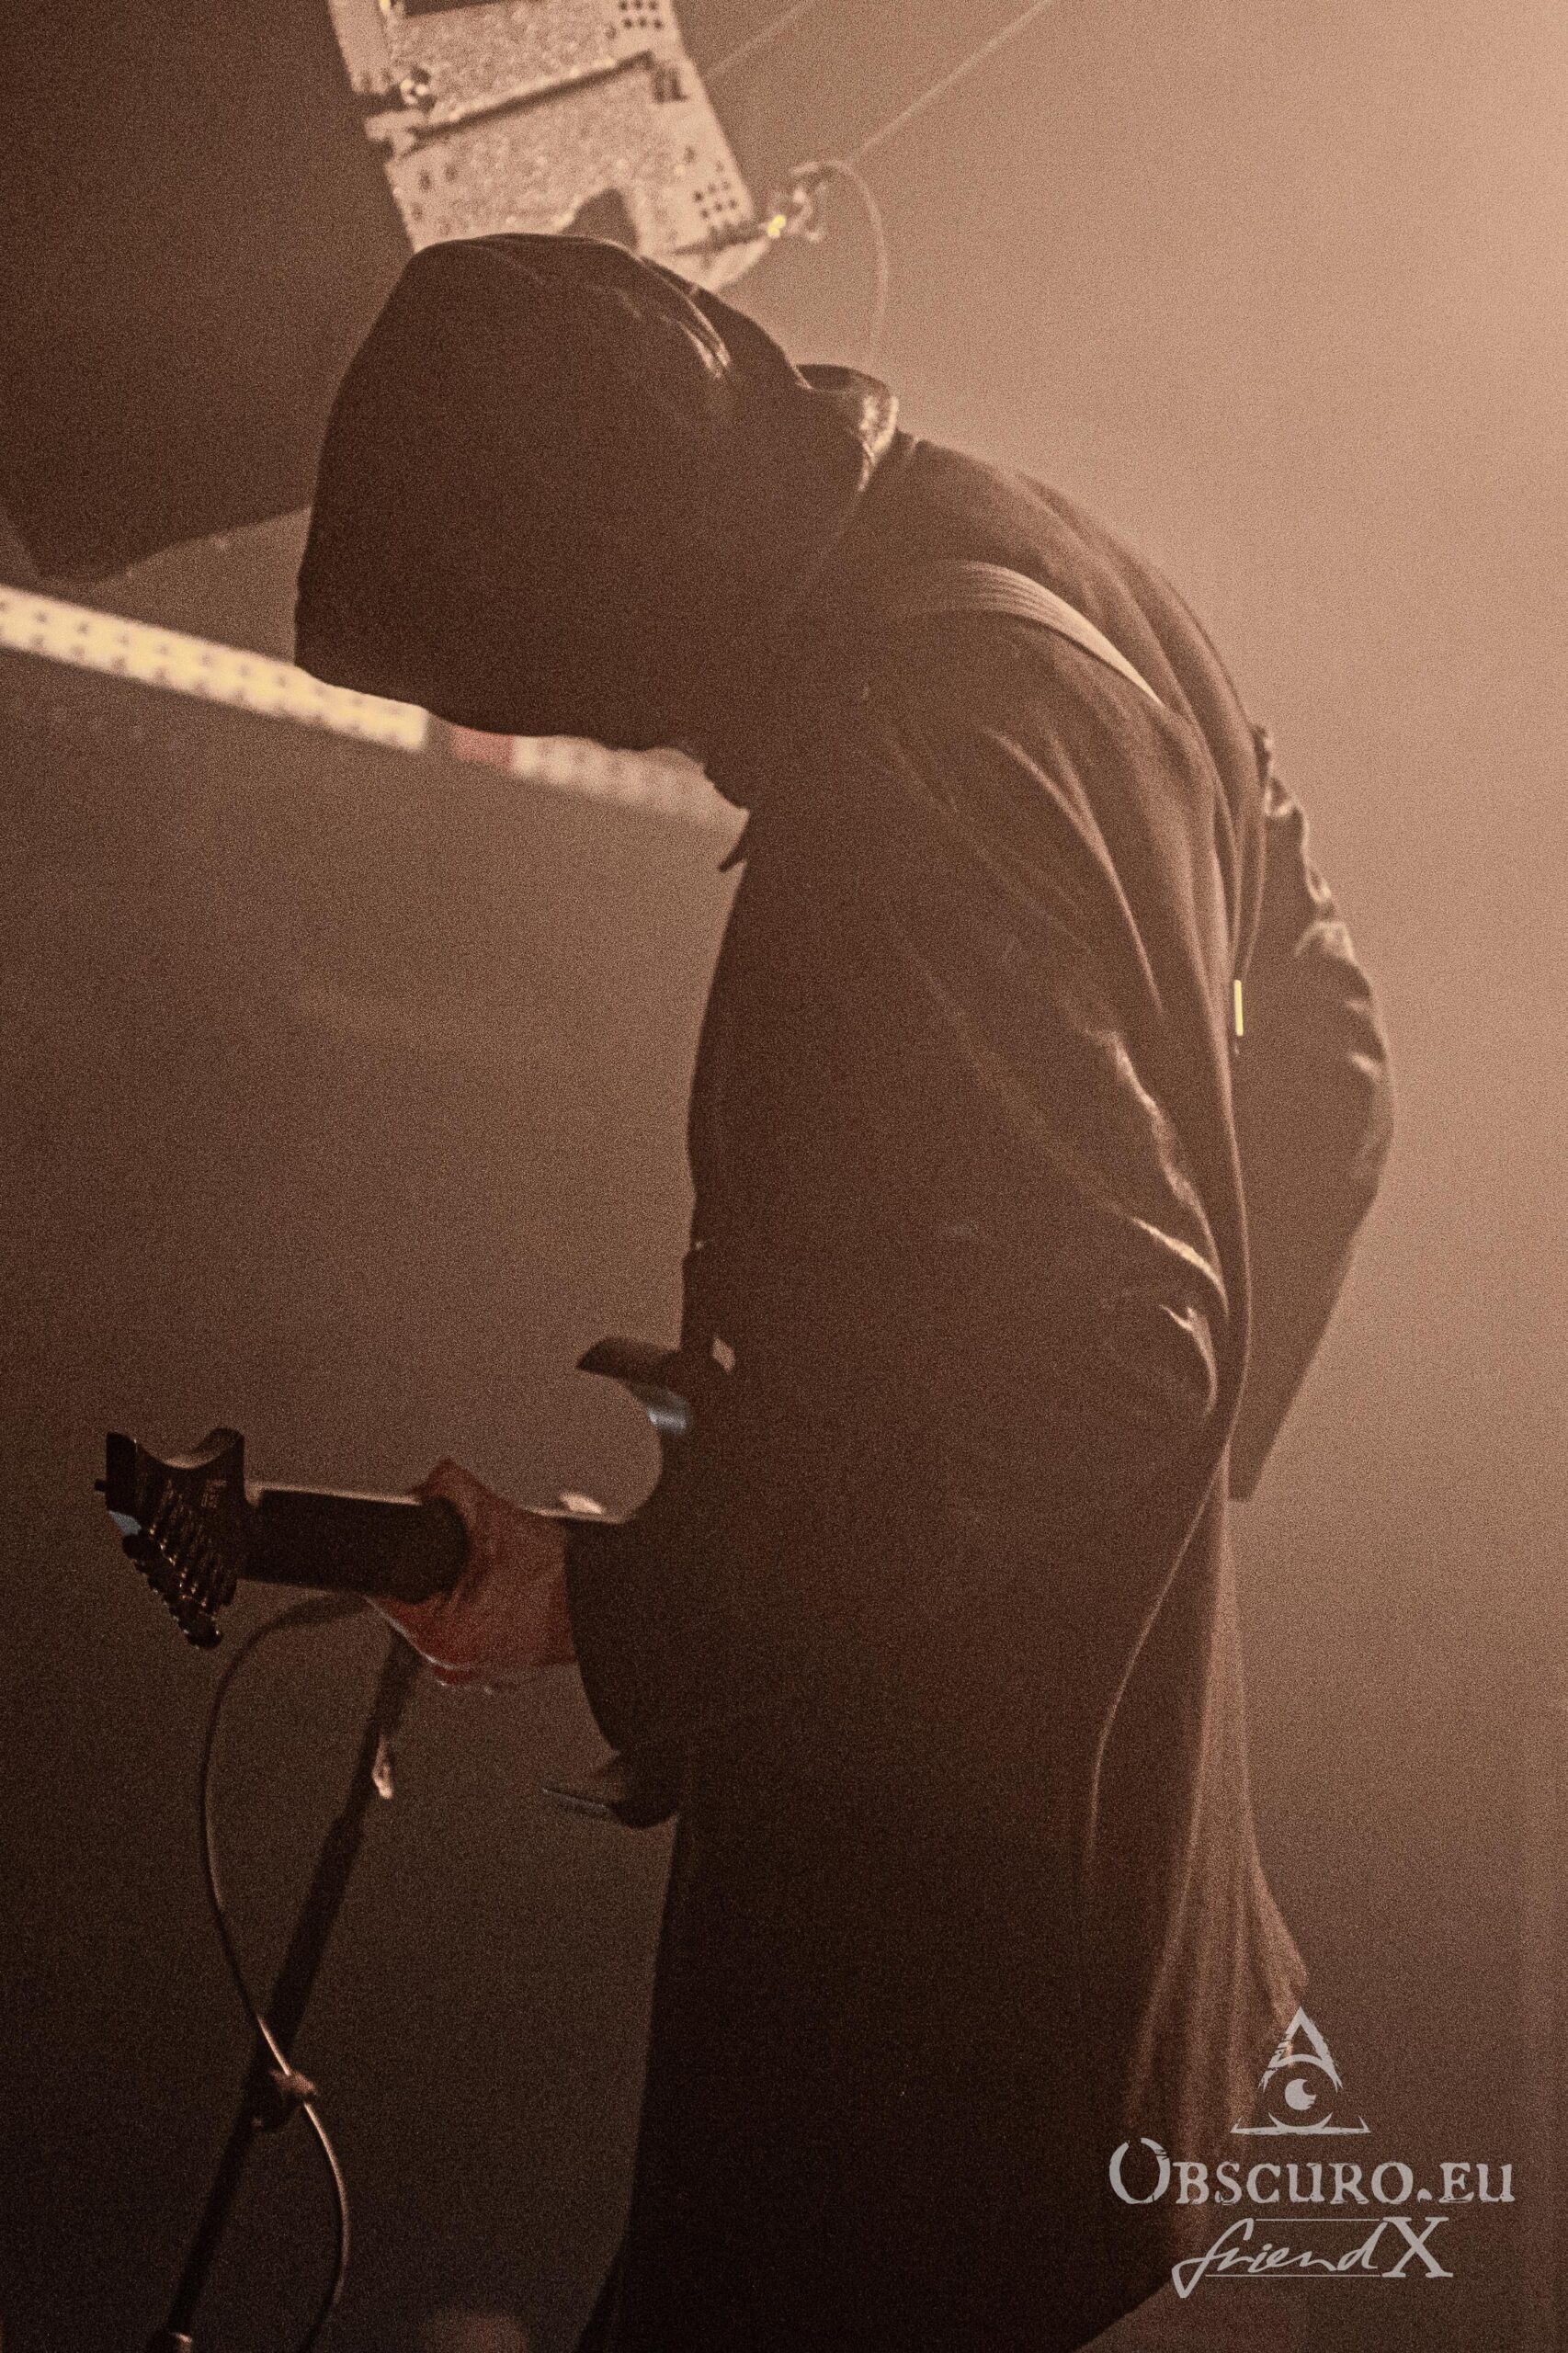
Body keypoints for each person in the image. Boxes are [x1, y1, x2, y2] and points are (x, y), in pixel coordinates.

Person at [294, 233, 1394, 2353]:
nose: (617, 734)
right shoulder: (1048, 553)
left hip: (932, 1990)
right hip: (1108, 1948)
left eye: (549, 676)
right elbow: (1323, 1079)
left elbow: (1094, 1362)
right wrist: (1120, 1546)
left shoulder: (906, 762)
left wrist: (627, 1599)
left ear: (617, 588)